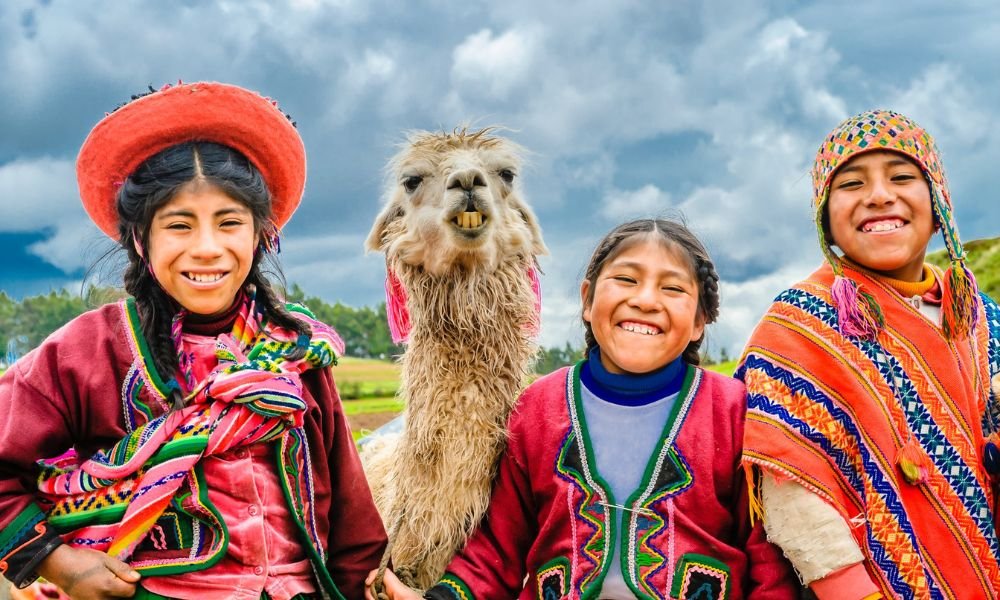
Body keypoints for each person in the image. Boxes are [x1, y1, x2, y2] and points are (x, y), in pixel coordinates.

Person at [0, 81, 387, 600]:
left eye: (229, 223)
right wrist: (61, 564)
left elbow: (350, 515)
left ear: (260, 235)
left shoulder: (294, 351)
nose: (207, 249)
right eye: (179, 226)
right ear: (141, 239)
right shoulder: (90, 351)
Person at [369, 218, 798, 599]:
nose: (646, 300)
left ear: (700, 321)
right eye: (627, 280)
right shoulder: (539, 408)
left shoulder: (733, 411)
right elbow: (498, 550)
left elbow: (765, 554)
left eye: (672, 288)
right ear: (588, 300)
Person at [737, 109, 1000, 599]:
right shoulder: (798, 328)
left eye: (902, 177)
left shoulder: (981, 318)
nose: (879, 195)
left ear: (938, 203)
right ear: (826, 218)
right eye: (851, 184)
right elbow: (792, 487)